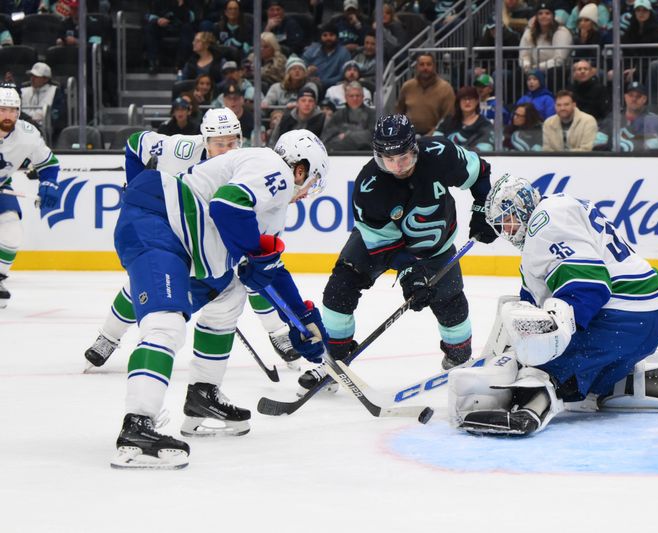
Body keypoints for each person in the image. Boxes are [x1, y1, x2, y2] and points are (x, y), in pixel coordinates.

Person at [110, 128, 331, 469]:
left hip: (186, 241)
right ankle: (137, 426)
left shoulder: (273, 206)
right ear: (300, 168)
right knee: (165, 326)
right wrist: (256, 254)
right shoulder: (274, 168)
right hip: (159, 222)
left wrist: (301, 319)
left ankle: (202, 394)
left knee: (229, 293)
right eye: (313, 181)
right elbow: (227, 205)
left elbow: (269, 268)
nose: (307, 193)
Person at [448, 174, 658, 437]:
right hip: (647, 318)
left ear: (523, 206)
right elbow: (533, 303)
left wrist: (547, 349)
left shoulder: (543, 223)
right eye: (501, 225)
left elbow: (590, 287)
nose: (507, 230)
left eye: (508, 219)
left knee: (544, 366)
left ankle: (528, 412)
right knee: (590, 388)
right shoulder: (561, 206)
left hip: (621, 319)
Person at [85, 108, 300, 372]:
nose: (226, 149)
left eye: (232, 142)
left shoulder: (248, 163)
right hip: (174, 226)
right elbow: (135, 144)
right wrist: (135, 183)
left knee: (254, 273)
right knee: (144, 282)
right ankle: (108, 337)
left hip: (214, 232)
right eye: (219, 144)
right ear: (204, 141)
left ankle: (277, 332)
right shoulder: (181, 148)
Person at [297, 114, 498, 393]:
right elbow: (386, 246)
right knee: (340, 287)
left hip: (436, 245)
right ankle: (333, 360)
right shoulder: (369, 186)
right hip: (380, 241)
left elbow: (481, 173)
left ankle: (459, 359)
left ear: (414, 147)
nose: (397, 166)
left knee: (450, 301)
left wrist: (482, 210)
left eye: (403, 157)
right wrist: (409, 273)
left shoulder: (441, 154)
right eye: (388, 160)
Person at [0, 86, 60, 309]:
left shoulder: (27, 134)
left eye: (13, 110)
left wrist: (49, 183)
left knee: (12, 234)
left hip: (2, 185)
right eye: (2, 109)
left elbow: (48, 163)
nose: (8, 115)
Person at [595, 81, 658, 151]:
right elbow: (598, 142)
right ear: (625, 97)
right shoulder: (613, 117)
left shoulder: (652, 119)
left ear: (644, 99)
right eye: (631, 95)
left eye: (638, 96)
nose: (634, 99)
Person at [518, 1, 573, 92]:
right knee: (518, 72)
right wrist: (527, 66)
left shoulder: (562, 32)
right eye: (540, 13)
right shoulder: (529, 31)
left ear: (553, 16)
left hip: (554, 69)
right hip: (533, 68)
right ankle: (521, 102)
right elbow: (523, 55)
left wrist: (537, 67)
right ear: (536, 17)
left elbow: (559, 60)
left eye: (547, 13)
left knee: (554, 72)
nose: (543, 16)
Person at [396, 52, 456, 136]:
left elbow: (448, 118)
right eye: (422, 64)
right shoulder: (407, 86)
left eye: (428, 64)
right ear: (416, 67)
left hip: (435, 136)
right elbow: (399, 112)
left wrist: (429, 136)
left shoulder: (446, 88)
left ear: (434, 67)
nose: (425, 68)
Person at [434, 85, 495, 152]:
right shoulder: (448, 121)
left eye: (470, 98)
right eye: (464, 99)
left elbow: (487, 147)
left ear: (477, 101)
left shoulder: (485, 124)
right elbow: (435, 140)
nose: (467, 102)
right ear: (458, 102)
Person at [143, 0, 196, 74]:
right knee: (150, 28)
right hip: (161, 26)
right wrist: (158, 20)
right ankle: (154, 63)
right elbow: (148, 15)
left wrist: (181, 5)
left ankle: (180, 65)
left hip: (180, 26)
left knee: (187, 28)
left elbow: (191, 18)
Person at [320, 81, 376, 152]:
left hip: (365, 154)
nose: (355, 98)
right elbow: (326, 137)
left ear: (363, 97)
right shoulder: (338, 115)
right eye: (351, 96)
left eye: (357, 95)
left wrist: (347, 134)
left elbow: (372, 136)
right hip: (339, 155)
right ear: (346, 97)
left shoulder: (372, 113)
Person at [302, 23, 352, 93]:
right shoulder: (313, 49)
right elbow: (302, 64)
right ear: (320, 37)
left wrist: (322, 82)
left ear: (337, 37)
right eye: (325, 35)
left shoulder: (344, 53)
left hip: (334, 87)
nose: (328, 38)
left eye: (331, 35)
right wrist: (308, 70)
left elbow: (343, 75)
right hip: (311, 86)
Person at [20, 62, 66, 135]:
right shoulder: (23, 91)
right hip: (21, 128)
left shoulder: (55, 92)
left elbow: (56, 115)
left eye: (36, 76)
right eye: (31, 76)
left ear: (46, 79)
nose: (32, 79)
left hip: (45, 131)